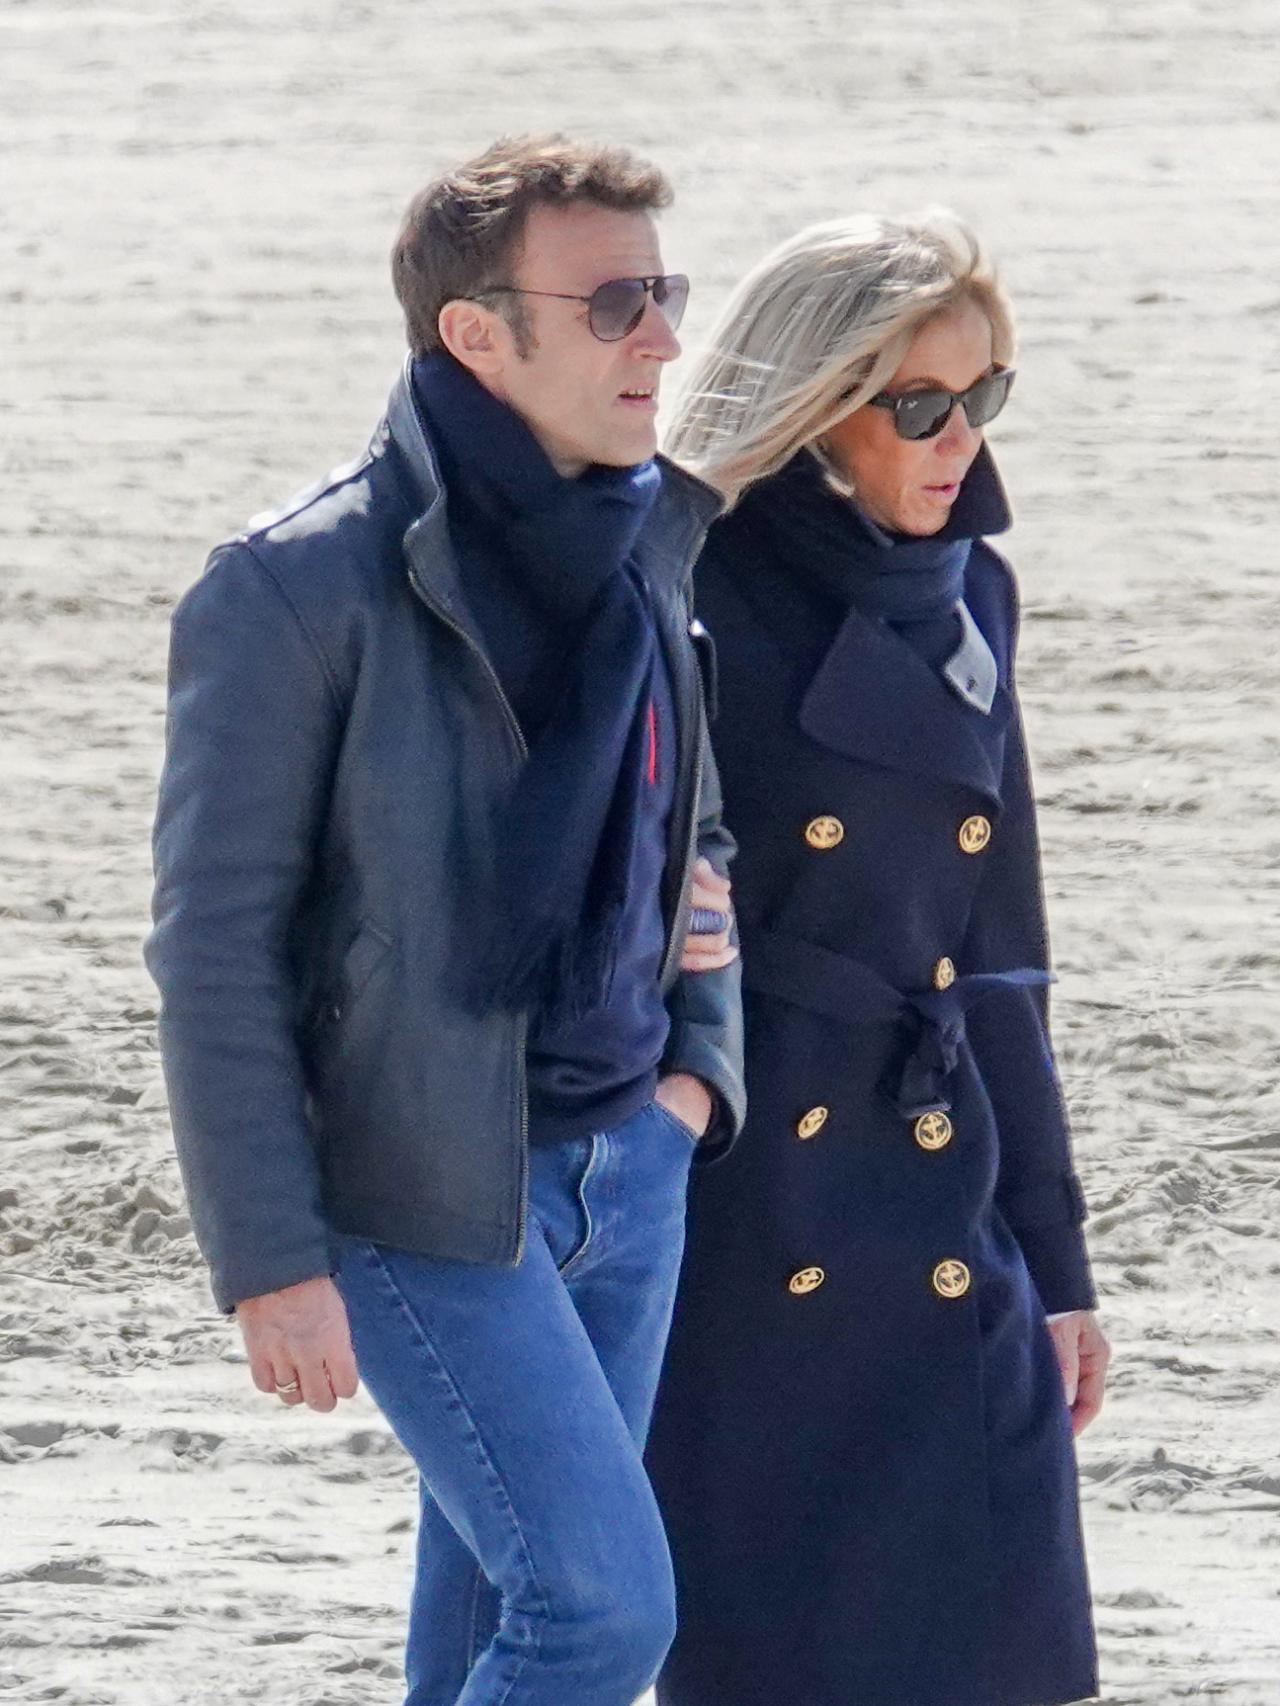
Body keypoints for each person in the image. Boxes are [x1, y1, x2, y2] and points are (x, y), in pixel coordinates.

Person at [144, 134, 745, 1706]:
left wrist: (696, 1081)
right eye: (616, 302)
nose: (665, 339)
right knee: (601, 1615)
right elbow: (214, 948)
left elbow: (702, 833)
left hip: (631, 1167)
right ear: (478, 333)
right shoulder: (293, 589)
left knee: (491, 1628)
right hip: (420, 1191)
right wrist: (268, 1255)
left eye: (665, 293)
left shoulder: (651, 543)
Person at [645, 211, 1110, 1706]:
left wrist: (1056, 1259)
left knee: (1006, 1644)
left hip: (936, 1178)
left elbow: (1001, 951)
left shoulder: (973, 589)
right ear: (816, 402)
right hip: (746, 1200)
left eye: (985, 396)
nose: (960, 437)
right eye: (919, 402)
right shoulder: (693, 592)